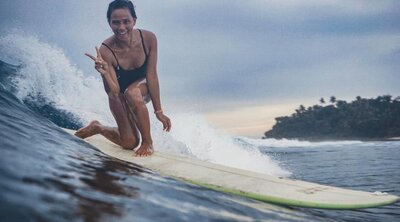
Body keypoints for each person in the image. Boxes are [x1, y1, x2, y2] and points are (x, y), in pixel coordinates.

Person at [75, 0, 171, 157]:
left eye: (126, 21)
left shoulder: (149, 39)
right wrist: (104, 73)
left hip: (141, 87)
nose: (121, 27)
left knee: (132, 93)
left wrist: (158, 111)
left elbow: (152, 75)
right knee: (129, 143)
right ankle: (97, 127)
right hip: (116, 93)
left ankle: (148, 143)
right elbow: (114, 91)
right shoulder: (106, 51)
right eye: (116, 22)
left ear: (134, 20)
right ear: (109, 23)